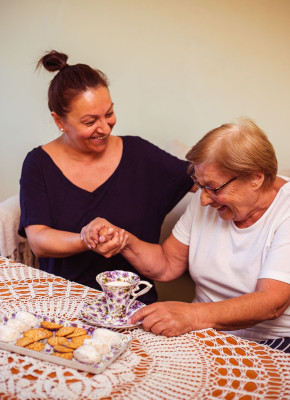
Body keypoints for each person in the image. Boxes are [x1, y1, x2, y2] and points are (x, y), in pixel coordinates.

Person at [82, 118, 290, 352]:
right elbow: (166, 265)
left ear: (256, 178)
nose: (203, 199)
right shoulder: (208, 199)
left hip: (271, 342)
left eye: (213, 188)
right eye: (200, 186)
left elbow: (272, 302)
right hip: (204, 333)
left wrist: (191, 316)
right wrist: (122, 240)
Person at [18, 50, 194, 304]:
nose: (104, 128)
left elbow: (203, 179)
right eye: (90, 121)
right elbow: (39, 241)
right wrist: (85, 239)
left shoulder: (139, 154)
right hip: (64, 302)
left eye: (108, 114)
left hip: (132, 306)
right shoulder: (38, 164)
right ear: (59, 120)